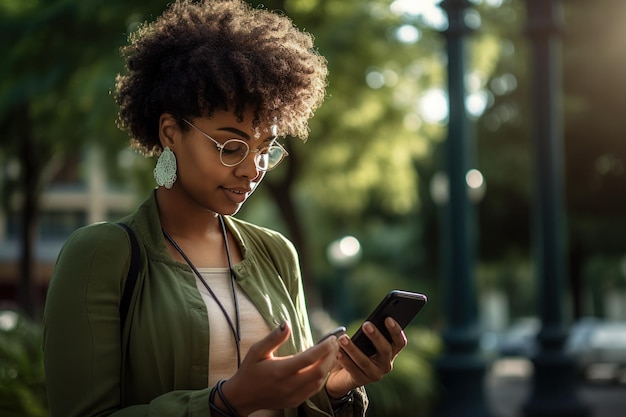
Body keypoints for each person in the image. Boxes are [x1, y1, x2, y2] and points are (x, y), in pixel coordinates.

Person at [42, 1, 408, 416]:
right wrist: (225, 402)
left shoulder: (276, 253)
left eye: (265, 150)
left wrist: (341, 383)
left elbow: (301, 403)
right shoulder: (100, 254)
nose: (252, 169)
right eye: (231, 146)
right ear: (170, 133)